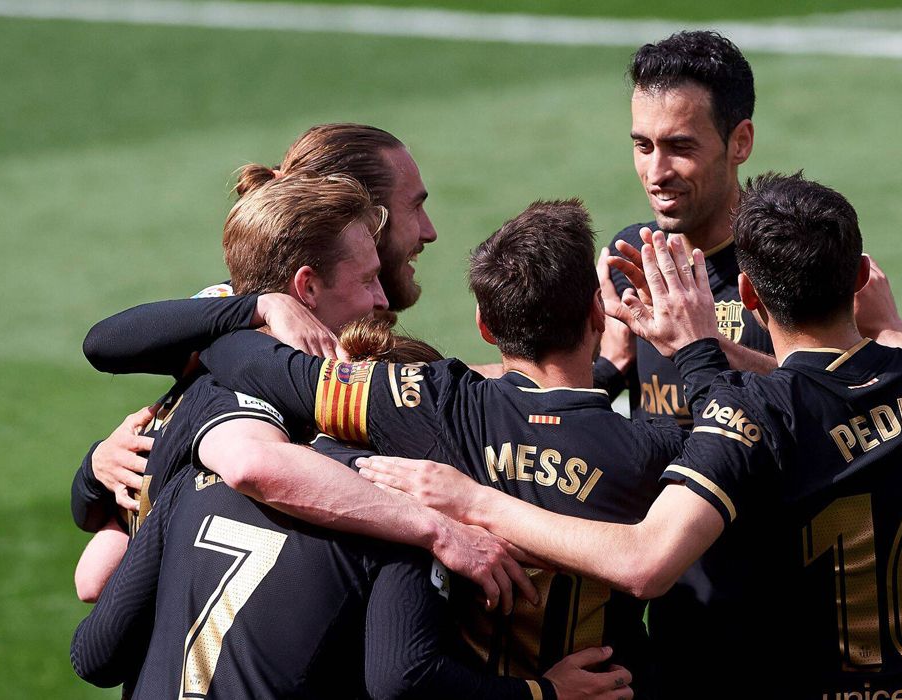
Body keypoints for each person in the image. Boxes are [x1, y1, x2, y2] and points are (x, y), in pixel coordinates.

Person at [358, 173, 902, 698]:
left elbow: (644, 563)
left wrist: (470, 501)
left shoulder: (760, 416)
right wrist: (894, 333)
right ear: (860, 279)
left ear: (751, 296)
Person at [194, 200, 704, 697]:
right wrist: (696, 347)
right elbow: (757, 425)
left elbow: (244, 358)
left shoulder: (429, 407)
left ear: (484, 323)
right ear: (598, 312)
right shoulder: (654, 449)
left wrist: (259, 304)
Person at [72, 320, 620, 700]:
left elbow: (95, 655)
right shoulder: (400, 525)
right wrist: (545, 693)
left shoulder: (192, 479)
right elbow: (402, 679)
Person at [71, 172, 529, 614]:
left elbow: (92, 580)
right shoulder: (244, 383)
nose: (382, 299)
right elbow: (104, 344)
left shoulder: (210, 343)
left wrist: (91, 474)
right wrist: (438, 530)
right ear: (306, 286)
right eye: (368, 279)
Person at [72, 122, 439, 539]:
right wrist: (95, 467)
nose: (429, 231)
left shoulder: (317, 315)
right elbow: (103, 343)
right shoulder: (242, 319)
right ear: (364, 217)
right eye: (414, 207)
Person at [602, 31, 902, 423]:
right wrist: (607, 366)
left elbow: (852, 409)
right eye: (643, 146)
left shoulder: (797, 259)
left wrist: (699, 345)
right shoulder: (632, 257)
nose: (656, 173)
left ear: (740, 142)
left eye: (681, 148)